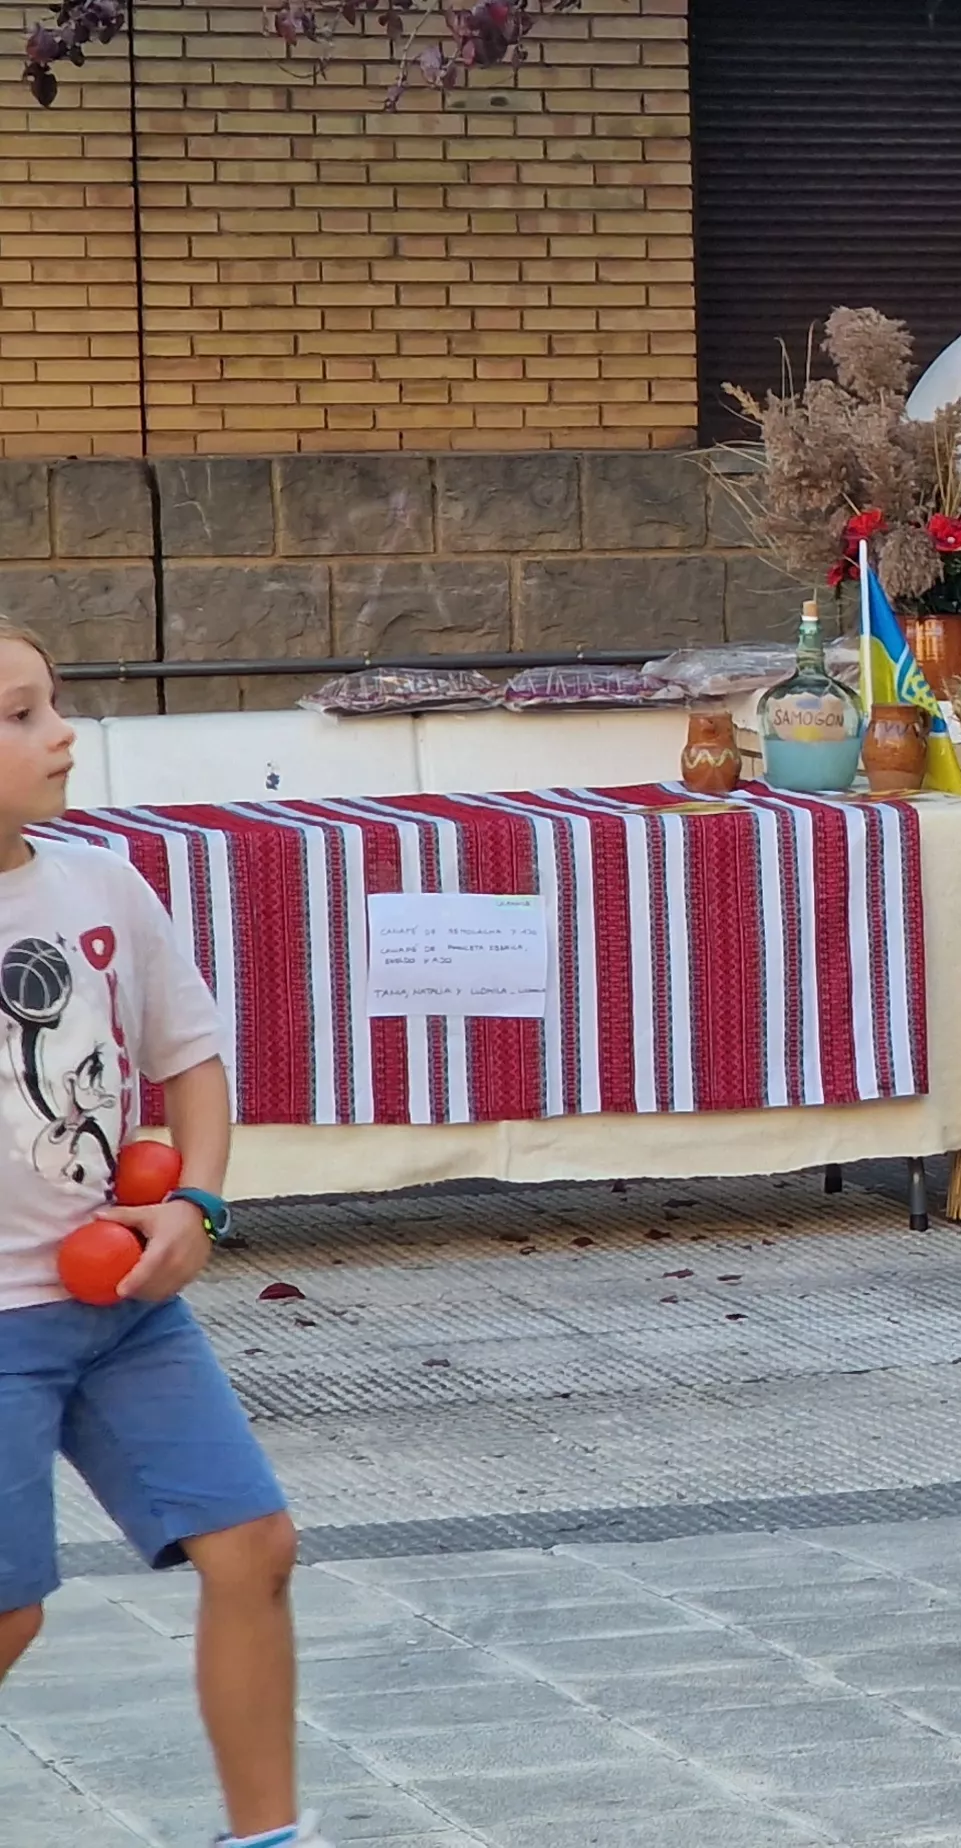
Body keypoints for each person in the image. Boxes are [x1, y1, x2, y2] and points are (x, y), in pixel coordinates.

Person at [0, 617, 313, 1846]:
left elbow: (191, 1059)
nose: (62, 733)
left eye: (52, 702)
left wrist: (198, 1205)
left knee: (254, 1549)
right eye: (19, 715)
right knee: (7, 1615)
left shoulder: (102, 886)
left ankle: (268, 1840)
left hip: (124, 1308)